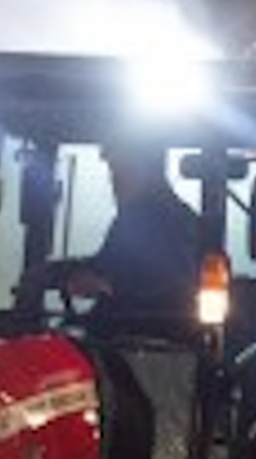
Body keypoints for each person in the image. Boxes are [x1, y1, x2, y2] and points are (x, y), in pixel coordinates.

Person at [56, 137, 201, 336]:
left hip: (154, 340)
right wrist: (65, 271)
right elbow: (107, 264)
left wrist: (107, 287)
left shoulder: (175, 221)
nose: (113, 182)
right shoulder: (131, 219)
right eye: (113, 172)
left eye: (122, 170)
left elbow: (176, 286)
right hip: (122, 333)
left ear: (148, 170)